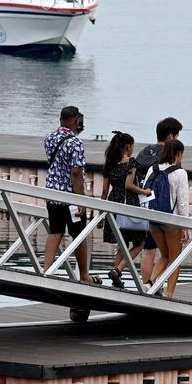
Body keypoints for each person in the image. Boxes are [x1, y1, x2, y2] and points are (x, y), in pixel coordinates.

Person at [42, 106, 94, 284]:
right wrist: (80, 200)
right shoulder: (75, 143)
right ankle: (84, 275)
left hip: (52, 193)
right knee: (79, 235)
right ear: (74, 120)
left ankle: (46, 270)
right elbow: (76, 172)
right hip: (70, 197)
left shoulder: (50, 138)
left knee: (55, 231)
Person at [139, 117, 183, 285]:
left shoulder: (145, 152)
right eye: (177, 136)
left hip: (144, 206)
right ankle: (156, 285)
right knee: (170, 254)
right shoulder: (169, 155)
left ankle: (146, 284)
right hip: (164, 211)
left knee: (148, 250)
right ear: (171, 136)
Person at [101, 131, 147, 288]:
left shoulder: (110, 164)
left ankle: (116, 277)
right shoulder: (131, 163)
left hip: (113, 204)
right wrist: (145, 191)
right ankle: (118, 270)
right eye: (132, 146)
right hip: (128, 206)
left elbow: (104, 192)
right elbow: (129, 185)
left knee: (122, 243)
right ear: (128, 147)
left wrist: (102, 214)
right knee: (140, 243)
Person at [145, 139, 190, 298]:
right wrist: (185, 226)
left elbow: (145, 193)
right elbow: (183, 202)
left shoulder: (153, 169)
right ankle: (169, 295)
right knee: (175, 259)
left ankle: (149, 283)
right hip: (172, 220)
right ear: (178, 153)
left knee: (165, 255)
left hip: (154, 219)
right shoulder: (180, 173)